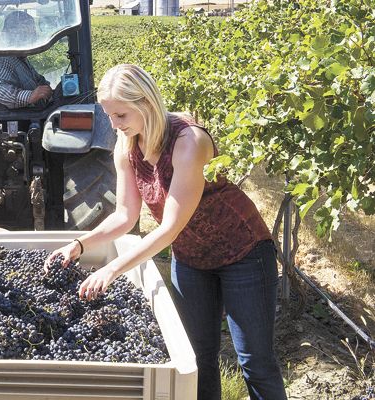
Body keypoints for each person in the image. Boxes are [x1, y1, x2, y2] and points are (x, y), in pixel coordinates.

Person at [45, 64, 287, 400]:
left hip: (242, 254)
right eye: (109, 115)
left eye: (121, 115)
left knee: (254, 361)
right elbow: (125, 216)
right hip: (190, 259)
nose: (114, 125)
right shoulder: (126, 144)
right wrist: (78, 244)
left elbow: (171, 226)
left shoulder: (190, 142)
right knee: (198, 357)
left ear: (146, 103)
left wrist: (112, 268)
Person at [0, 10, 53, 109]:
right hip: (14, 122)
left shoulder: (20, 59)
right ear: (16, 35)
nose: (34, 35)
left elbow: (39, 81)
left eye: (33, 30)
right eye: (29, 31)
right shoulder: (3, 59)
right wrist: (29, 96)